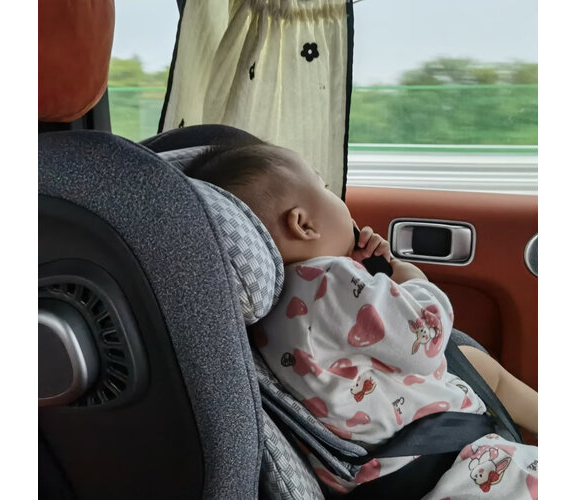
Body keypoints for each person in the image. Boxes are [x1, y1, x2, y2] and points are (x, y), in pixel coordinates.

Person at [187, 142, 538, 498]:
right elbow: (427, 339)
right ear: (303, 224)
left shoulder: (273, 313)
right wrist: (412, 279)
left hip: (399, 471)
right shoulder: (331, 281)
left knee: (475, 363)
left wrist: (366, 277)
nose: (341, 203)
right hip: (455, 464)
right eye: (326, 189)